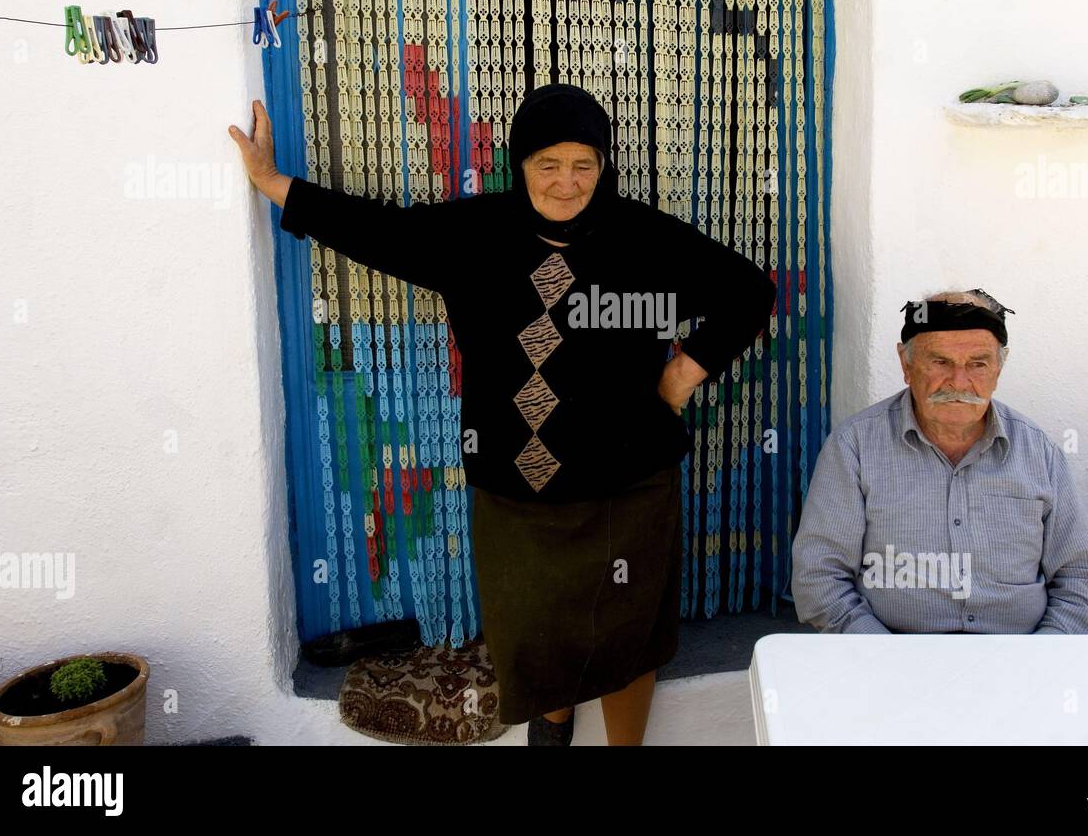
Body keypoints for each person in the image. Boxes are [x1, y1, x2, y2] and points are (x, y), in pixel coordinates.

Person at [229, 83, 776, 744]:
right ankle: (552, 726)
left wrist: (684, 373)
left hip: (627, 486)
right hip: (519, 496)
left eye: (584, 164)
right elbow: (375, 230)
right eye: (549, 164)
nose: (567, 183)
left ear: (604, 167)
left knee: (629, 638)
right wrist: (271, 181)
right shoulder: (473, 235)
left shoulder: (644, 239)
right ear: (520, 164)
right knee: (536, 639)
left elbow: (749, 291)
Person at [791, 289, 1088, 635]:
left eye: (978, 364)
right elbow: (820, 576)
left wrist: (1040, 657)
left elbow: (1081, 576)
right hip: (893, 657)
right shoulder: (855, 446)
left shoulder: (1039, 451)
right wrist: (881, 658)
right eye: (940, 362)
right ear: (906, 364)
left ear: (998, 369)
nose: (959, 382)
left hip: (1019, 659)